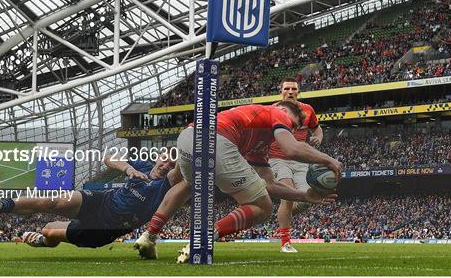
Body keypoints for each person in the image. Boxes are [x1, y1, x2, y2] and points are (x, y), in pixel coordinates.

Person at [134, 101, 342, 262]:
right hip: (217, 140)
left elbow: (268, 186)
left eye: (297, 128)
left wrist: (304, 195)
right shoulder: (276, 112)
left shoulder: (259, 141)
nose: (293, 130)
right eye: (294, 124)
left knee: (189, 185)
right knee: (263, 206)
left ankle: (149, 235)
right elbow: (291, 149)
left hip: (188, 137)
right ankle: (204, 239)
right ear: (282, 109)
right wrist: (329, 159)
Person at [0, 152, 178, 248]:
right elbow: (109, 158)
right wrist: (128, 168)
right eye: (165, 158)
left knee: (48, 230)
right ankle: (2, 204)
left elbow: (182, 166)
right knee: (56, 201)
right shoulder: (141, 165)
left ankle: (42, 240)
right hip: (101, 201)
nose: (166, 164)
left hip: (105, 228)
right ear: (158, 157)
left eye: (172, 163)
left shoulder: (167, 184)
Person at [269, 77, 323, 253]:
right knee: (289, 195)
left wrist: (318, 137)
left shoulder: (308, 110)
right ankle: (285, 242)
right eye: (287, 88)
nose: (290, 91)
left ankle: (283, 214)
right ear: (281, 91)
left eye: (294, 89)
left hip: (301, 160)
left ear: (298, 92)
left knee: (307, 198)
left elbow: (317, 128)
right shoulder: (272, 110)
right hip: (278, 159)